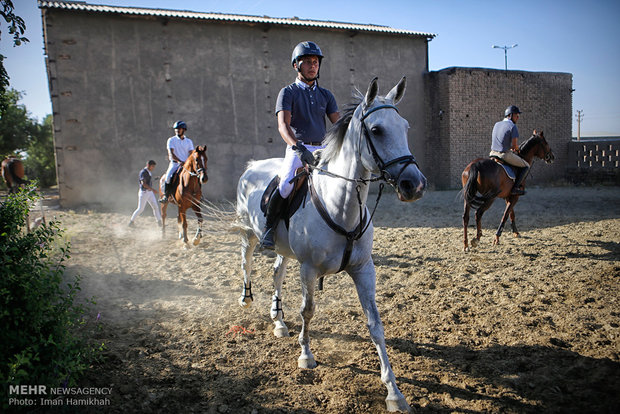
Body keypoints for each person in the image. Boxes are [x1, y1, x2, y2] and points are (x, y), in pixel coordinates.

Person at [260, 41, 340, 249]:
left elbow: (339, 125)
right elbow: (283, 126)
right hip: (298, 148)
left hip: (323, 149)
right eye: (307, 62)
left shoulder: (326, 95)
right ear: (296, 65)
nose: (313, 66)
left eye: (315, 62)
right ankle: (269, 228)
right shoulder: (287, 93)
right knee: (286, 184)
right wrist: (299, 148)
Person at [489, 105, 530, 195]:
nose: (518, 117)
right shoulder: (512, 126)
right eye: (517, 115)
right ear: (510, 115)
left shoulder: (497, 124)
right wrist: (517, 149)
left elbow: (501, 141)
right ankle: (515, 188)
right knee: (526, 166)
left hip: (492, 153)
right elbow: (515, 146)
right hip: (503, 155)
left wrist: (510, 147)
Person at [160, 120, 194, 203]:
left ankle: (199, 195)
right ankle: (166, 196)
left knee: (195, 175)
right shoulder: (171, 140)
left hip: (186, 164)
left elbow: (191, 154)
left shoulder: (189, 141)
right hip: (175, 164)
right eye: (176, 129)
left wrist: (187, 162)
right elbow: (171, 153)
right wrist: (179, 161)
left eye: (179, 129)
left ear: (184, 130)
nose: (177, 130)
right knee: (168, 177)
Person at [129, 160, 162, 227]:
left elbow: (148, 181)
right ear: (148, 165)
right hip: (144, 193)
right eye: (152, 166)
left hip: (149, 192)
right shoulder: (143, 172)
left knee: (155, 207)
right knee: (140, 209)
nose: (153, 168)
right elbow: (144, 184)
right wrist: (153, 190)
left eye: (154, 166)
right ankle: (131, 222)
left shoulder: (148, 172)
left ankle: (159, 222)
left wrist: (154, 180)